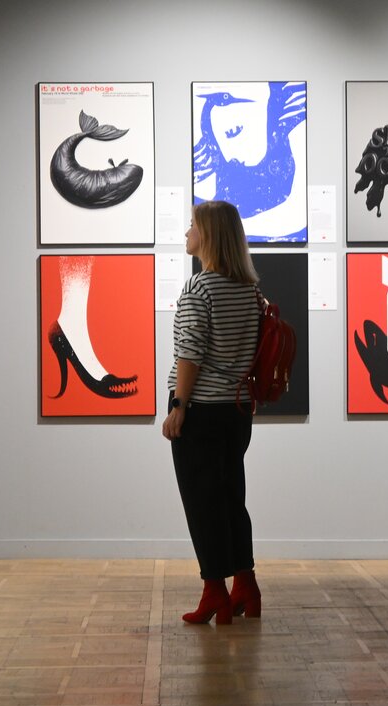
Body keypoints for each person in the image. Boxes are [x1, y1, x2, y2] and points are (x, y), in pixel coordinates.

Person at [162, 201, 263, 625]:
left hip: (200, 410)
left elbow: (190, 353)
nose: (186, 233)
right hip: (237, 412)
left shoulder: (199, 288)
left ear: (209, 235)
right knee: (231, 498)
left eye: (192, 226)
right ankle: (246, 585)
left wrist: (178, 407)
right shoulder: (250, 290)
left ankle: (215, 591)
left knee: (202, 503)